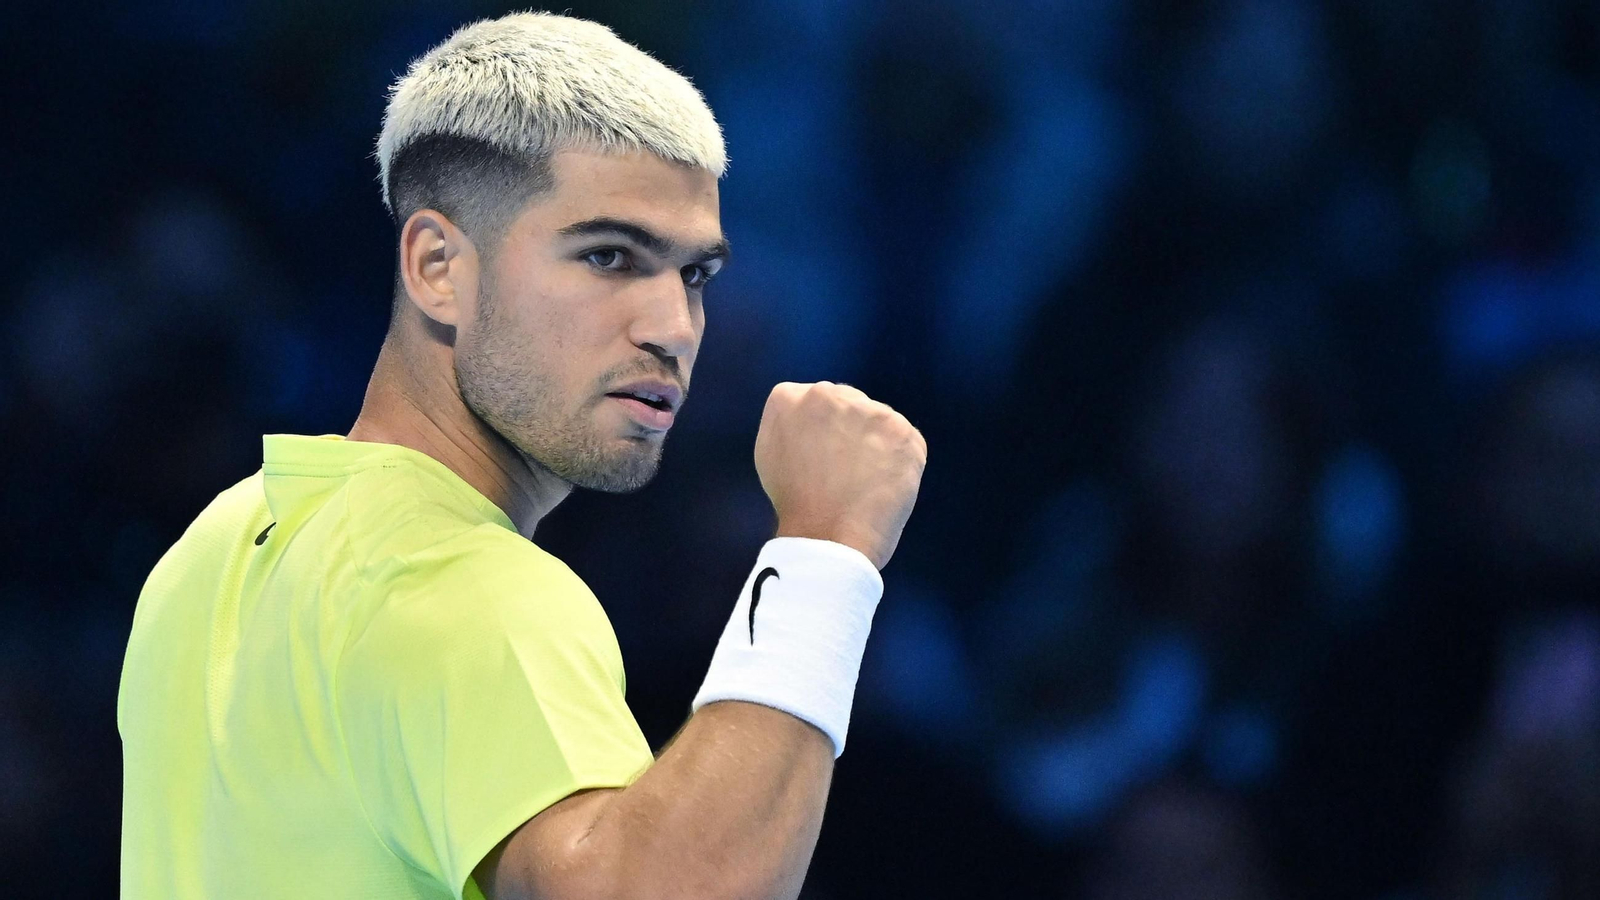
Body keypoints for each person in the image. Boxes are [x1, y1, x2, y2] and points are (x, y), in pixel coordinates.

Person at [116, 12, 927, 900]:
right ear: (436, 267)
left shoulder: (213, 549)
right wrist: (824, 551)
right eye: (609, 255)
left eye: (694, 275)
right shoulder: (462, 582)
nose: (672, 329)